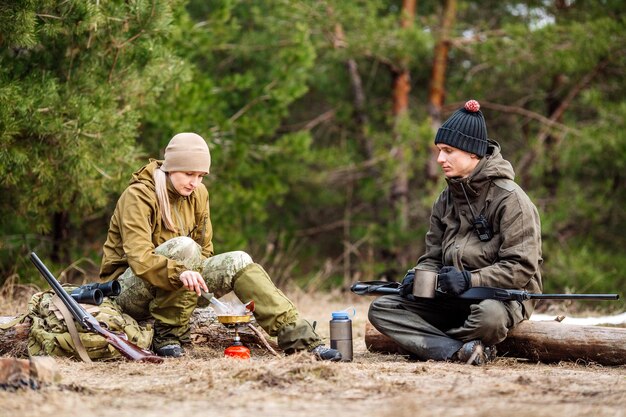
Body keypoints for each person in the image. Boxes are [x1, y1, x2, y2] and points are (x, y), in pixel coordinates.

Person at [99, 132, 341, 360]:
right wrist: (182, 272)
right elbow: (140, 258)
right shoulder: (139, 195)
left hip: (175, 288)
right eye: (189, 174)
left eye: (201, 176)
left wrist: (190, 277)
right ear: (171, 167)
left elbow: (206, 251)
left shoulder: (199, 194)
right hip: (126, 292)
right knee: (185, 248)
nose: (195, 182)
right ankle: (168, 336)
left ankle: (302, 340)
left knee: (239, 259)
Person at [368, 100, 543, 365]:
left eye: (448, 151)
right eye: (439, 151)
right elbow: (433, 257)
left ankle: (433, 343)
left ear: (473, 153)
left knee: (489, 319)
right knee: (382, 308)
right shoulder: (445, 199)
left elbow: (520, 268)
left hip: (500, 298)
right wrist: (417, 278)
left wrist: (470, 280)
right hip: (450, 298)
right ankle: (459, 350)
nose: (440, 159)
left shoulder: (511, 200)